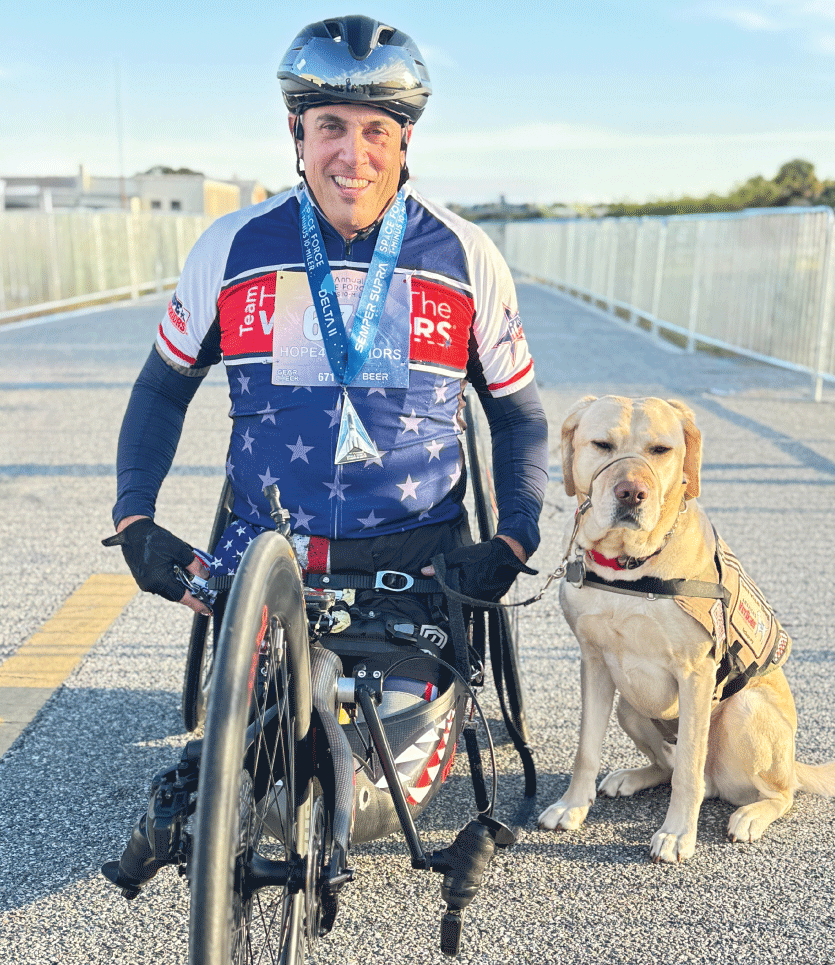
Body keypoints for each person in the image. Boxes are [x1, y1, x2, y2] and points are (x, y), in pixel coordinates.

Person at [103, 15, 548, 660]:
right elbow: (161, 391)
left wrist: (513, 540)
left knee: (398, 730)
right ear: (298, 132)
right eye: (331, 127)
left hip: (419, 561)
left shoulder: (465, 253)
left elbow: (517, 417)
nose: (352, 155)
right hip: (266, 552)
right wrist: (135, 520)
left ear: (405, 140)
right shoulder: (229, 246)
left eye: (376, 131)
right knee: (256, 723)